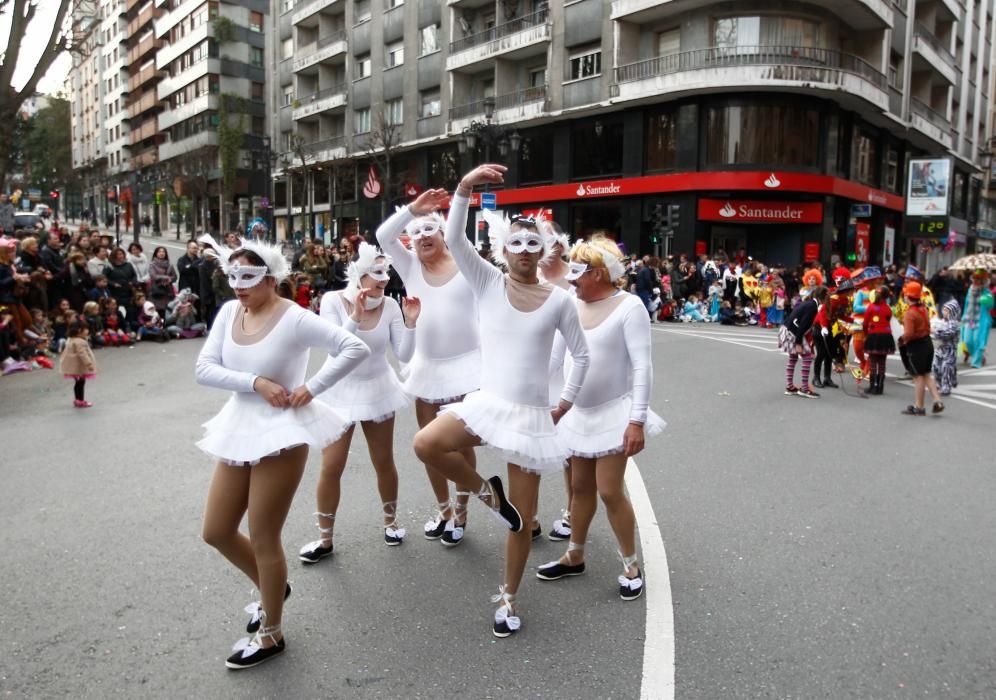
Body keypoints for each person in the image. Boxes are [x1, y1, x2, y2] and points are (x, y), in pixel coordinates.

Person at [412, 164, 590, 638]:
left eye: (534, 244)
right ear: (504, 249)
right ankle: (486, 493)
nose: (526, 252)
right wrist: (465, 188)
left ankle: (509, 598)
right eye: (517, 243)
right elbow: (455, 235)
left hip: (531, 417)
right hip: (488, 403)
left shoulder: (558, 300)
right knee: (427, 444)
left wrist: (565, 403)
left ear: (545, 250)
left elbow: (582, 355)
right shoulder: (487, 281)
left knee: (524, 519)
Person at [195, 239, 369, 669]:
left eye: (248, 278)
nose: (238, 286)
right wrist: (255, 382)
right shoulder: (228, 312)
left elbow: (353, 347)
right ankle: (272, 586)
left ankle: (272, 632)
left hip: (282, 432)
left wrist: (312, 386)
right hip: (240, 425)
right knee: (216, 530)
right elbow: (204, 368)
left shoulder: (293, 317)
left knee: (263, 534)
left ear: (271, 278)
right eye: (232, 277)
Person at [539, 236, 665, 601]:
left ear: (598, 273)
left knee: (609, 489)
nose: (570, 278)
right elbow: (554, 359)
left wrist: (636, 420)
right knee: (579, 489)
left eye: (577, 271)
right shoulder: (569, 305)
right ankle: (574, 554)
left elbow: (642, 366)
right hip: (577, 414)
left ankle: (631, 563)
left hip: (614, 413)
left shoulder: (629, 307)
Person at [299, 242, 421, 563]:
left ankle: (391, 522)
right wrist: (354, 316)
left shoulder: (392, 306)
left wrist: (411, 322)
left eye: (386, 272)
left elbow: (404, 354)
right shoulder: (332, 301)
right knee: (332, 465)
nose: (384, 278)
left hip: (378, 388)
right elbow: (336, 348)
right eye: (377, 272)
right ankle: (325, 538)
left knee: (383, 460)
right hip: (339, 392)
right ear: (358, 274)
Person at [376, 193, 483, 548]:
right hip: (428, 369)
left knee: (461, 445)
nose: (422, 237)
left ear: (443, 235)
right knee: (430, 446)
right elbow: (382, 237)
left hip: (468, 368)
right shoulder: (410, 267)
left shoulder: (466, 262)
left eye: (429, 231)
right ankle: (445, 510)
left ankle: (464, 509)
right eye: (416, 233)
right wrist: (411, 210)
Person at [897, 281, 944, 416]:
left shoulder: (910, 313)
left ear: (907, 296)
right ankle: (937, 400)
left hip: (917, 347)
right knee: (926, 374)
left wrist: (900, 339)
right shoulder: (923, 309)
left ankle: (919, 406)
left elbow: (909, 334)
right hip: (927, 343)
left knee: (918, 377)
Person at [779, 285, 829, 398]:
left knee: (793, 357)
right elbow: (803, 325)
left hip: (787, 329)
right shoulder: (813, 307)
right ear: (824, 298)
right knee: (808, 357)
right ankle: (804, 389)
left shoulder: (810, 303)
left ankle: (790, 387)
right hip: (793, 332)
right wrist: (798, 343)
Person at [862, 285, 895, 395]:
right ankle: (880, 387)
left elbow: (865, 323)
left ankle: (872, 386)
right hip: (886, 336)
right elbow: (888, 319)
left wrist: (866, 334)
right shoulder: (888, 308)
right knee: (882, 362)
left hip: (874, 335)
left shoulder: (871, 307)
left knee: (873, 361)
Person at [60, 319, 97, 408]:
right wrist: (89, 364)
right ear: (79, 330)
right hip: (79, 367)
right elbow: (83, 354)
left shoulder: (71, 339)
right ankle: (80, 400)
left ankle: (77, 399)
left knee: (78, 383)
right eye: (86, 329)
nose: (87, 331)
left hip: (74, 366)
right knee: (80, 383)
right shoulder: (80, 342)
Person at [960, 269, 993, 368]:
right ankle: (979, 356)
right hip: (969, 319)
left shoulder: (986, 291)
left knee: (978, 341)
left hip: (980, 320)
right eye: (974, 278)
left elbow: (990, 305)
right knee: (967, 341)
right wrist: (963, 316)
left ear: (983, 280)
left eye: (978, 278)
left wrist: (984, 300)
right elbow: (966, 304)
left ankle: (976, 362)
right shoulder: (970, 290)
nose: (975, 280)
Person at [932, 299, 961, 396]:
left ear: (952, 312)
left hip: (950, 349)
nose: (943, 311)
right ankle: (940, 383)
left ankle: (946, 387)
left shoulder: (954, 324)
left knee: (946, 367)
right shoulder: (942, 321)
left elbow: (947, 334)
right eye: (943, 309)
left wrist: (934, 332)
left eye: (946, 310)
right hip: (940, 348)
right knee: (936, 366)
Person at [148, 246, 177, 314]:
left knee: (167, 312)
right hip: (157, 291)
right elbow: (154, 276)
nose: (162, 253)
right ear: (156, 254)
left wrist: (170, 280)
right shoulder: (152, 264)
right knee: (157, 312)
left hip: (168, 291)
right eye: (159, 252)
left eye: (163, 252)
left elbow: (175, 276)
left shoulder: (170, 265)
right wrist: (167, 277)